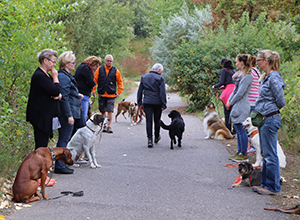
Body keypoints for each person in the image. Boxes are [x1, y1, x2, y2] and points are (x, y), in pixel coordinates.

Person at [252, 50, 286, 195]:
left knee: (271, 154)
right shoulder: (266, 77)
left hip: (269, 119)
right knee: (266, 153)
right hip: (263, 119)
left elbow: (281, 101)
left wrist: (268, 110)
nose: (257, 63)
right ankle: (266, 184)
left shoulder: (274, 78)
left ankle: (273, 187)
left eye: (258, 60)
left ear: (267, 61)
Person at [26, 49, 62, 149]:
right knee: (41, 147)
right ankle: (39, 164)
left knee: (44, 145)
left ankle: (42, 164)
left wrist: (57, 95)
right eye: (53, 62)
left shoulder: (46, 76)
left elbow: (57, 92)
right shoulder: (39, 76)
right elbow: (55, 91)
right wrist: (55, 77)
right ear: (45, 61)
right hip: (40, 116)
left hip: (47, 115)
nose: (54, 65)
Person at [55, 51, 83, 174]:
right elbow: (64, 98)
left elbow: (69, 94)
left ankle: (61, 163)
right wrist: (69, 115)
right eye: (72, 62)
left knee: (65, 138)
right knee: (64, 139)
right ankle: (60, 164)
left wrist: (77, 95)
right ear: (66, 64)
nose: (74, 65)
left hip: (70, 110)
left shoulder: (65, 76)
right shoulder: (64, 77)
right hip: (66, 113)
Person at [226, 54, 253, 162]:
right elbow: (235, 91)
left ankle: (243, 153)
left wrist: (231, 102)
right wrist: (229, 100)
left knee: (241, 130)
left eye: (237, 62)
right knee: (237, 128)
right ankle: (239, 151)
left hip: (242, 105)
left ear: (242, 63)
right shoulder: (240, 75)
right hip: (237, 105)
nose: (235, 64)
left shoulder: (247, 77)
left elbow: (240, 93)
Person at [137, 63, 167, 148]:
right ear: (159, 70)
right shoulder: (160, 78)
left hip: (147, 101)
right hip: (157, 102)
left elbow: (140, 91)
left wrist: (139, 102)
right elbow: (162, 92)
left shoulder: (144, 77)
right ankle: (157, 137)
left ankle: (149, 140)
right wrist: (164, 104)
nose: (161, 72)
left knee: (148, 121)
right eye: (161, 71)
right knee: (157, 120)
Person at [93, 54, 123, 133]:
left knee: (110, 110)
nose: (109, 62)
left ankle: (109, 126)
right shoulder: (99, 69)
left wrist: (119, 92)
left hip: (111, 94)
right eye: (108, 61)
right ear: (105, 61)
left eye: (111, 61)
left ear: (112, 62)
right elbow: (95, 80)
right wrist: (93, 90)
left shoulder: (116, 70)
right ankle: (104, 125)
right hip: (101, 93)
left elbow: (120, 82)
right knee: (103, 110)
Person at [212, 58, 236, 133]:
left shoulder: (224, 70)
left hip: (228, 91)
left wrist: (215, 86)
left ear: (223, 64)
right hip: (235, 90)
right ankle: (235, 129)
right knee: (234, 111)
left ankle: (228, 129)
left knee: (227, 111)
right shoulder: (234, 70)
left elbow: (221, 82)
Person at [75, 56, 101, 121]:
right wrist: (90, 83)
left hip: (82, 93)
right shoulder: (85, 69)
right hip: (83, 94)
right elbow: (91, 83)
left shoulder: (83, 66)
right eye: (96, 66)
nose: (96, 68)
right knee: (83, 116)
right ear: (93, 63)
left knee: (84, 115)